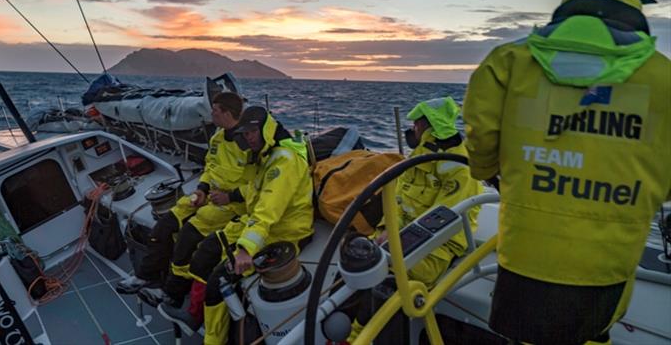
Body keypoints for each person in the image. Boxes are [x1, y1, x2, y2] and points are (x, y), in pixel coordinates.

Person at [463, 0, 671, 345]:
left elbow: (481, 135)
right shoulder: (663, 77)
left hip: (524, 251)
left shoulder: (507, 62)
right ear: (633, 8)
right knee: (592, 333)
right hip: (608, 260)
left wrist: (491, 172)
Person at [157, 106, 314, 343]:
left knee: (218, 280)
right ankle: (194, 315)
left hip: (285, 232)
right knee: (204, 253)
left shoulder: (284, 162)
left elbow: (268, 210)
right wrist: (230, 197)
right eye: (245, 133)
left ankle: (214, 339)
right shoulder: (264, 157)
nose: (248, 137)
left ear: (266, 129)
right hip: (260, 226)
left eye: (252, 131)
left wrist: (246, 249)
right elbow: (254, 192)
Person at [347, 97, 484, 341]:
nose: (412, 130)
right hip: (402, 238)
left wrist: (393, 244)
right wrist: (384, 232)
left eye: (417, 125)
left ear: (429, 126)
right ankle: (346, 330)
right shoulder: (418, 158)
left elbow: (440, 222)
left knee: (384, 279)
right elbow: (398, 203)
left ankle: (359, 336)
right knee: (353, 258)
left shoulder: (459, 168)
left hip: (437, 250)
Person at [118, 91, 251, 304]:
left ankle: (173, 293)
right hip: (207, 196)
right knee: (164, 226)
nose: (211, 114)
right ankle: (145, 276)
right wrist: (201, 189)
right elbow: (210, 167)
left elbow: (255, 184)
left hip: (231, 205)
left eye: (215, 111)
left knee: (187, 237)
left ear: (226, 113)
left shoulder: (248, 145)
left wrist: (229, 197)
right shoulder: (217, 138)